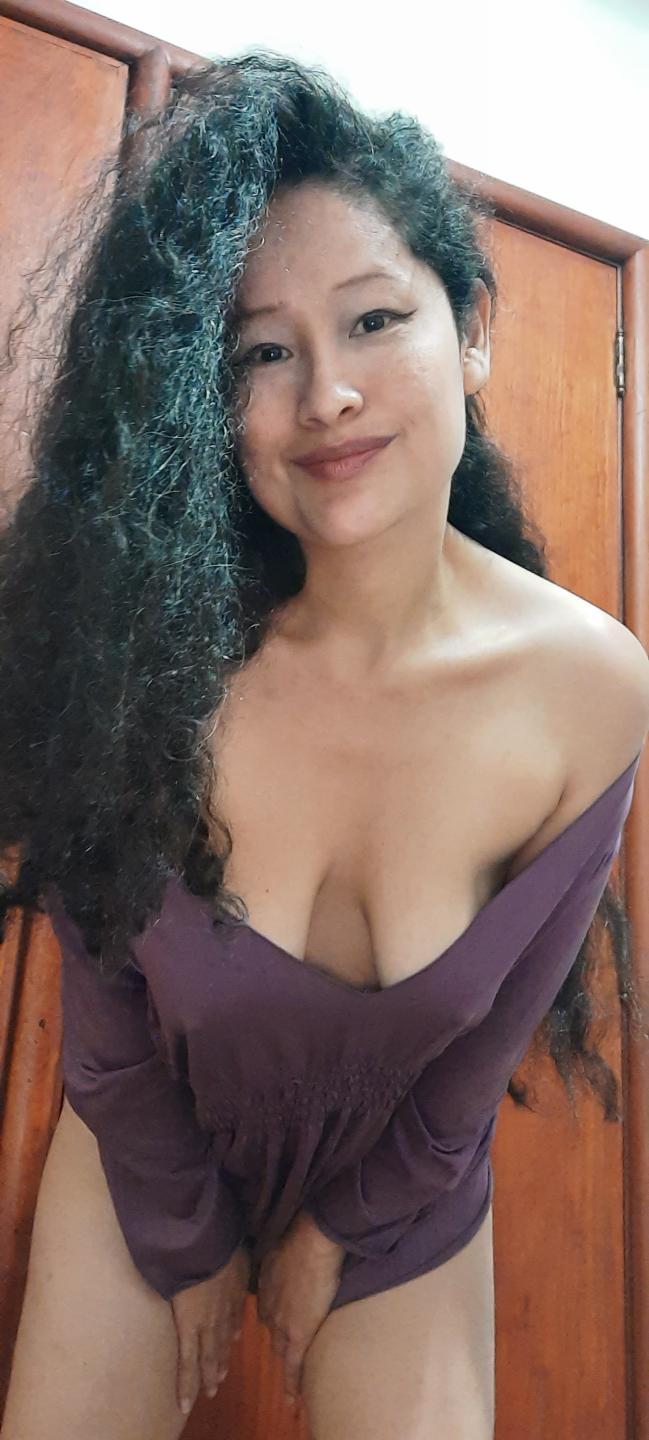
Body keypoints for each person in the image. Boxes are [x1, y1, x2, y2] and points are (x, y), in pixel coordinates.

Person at [1, 49, 648, 1440]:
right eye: (263, 351)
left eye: (372, 320)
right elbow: (102, 995)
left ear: (469, 332)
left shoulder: (591, 690)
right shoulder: (143, 648)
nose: (327, 395)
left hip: (402, 1178)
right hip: (146, 1133)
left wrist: (342, 1226)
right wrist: (181, 1226)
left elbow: (482, 1052)